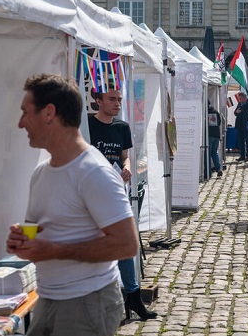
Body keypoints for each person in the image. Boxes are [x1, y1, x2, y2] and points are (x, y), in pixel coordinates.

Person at [7, 74, 139, 336]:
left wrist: (54, 249)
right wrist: (24, 240)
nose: (21, 123)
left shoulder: (94, 172)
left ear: (49, 113)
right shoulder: (41, 173)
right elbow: (39, 232)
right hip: (47, 298)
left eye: (25, 112)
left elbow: (127, 244)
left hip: (87, 302)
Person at [88, 87, 157, 321]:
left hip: (116, 191)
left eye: (119, 99)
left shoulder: (122, 127)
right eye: (111, 100)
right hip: (92, 194)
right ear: (98, 101)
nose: (117, 103)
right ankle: (109, 299)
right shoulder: (86, 125)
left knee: (128, 243)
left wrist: (127, 167)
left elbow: (124, 156)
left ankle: (133, 295)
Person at [234, 92, 248, 162]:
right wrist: (237, 112)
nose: (240, 100)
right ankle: (242, 155)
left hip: (247, 126)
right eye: (239, 98)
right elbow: (235, 113)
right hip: (240, 125)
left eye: (240, 98)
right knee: (240, 141)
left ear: (244, 97)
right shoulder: (239, 104)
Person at [207, 101, 223, 177]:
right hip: (216, 134)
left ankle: (208, 172)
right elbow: (219, 122)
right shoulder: (216, 112)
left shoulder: (205, 112)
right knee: (214, 153)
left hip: (209, 135)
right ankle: (218, 168)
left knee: (208, 153)